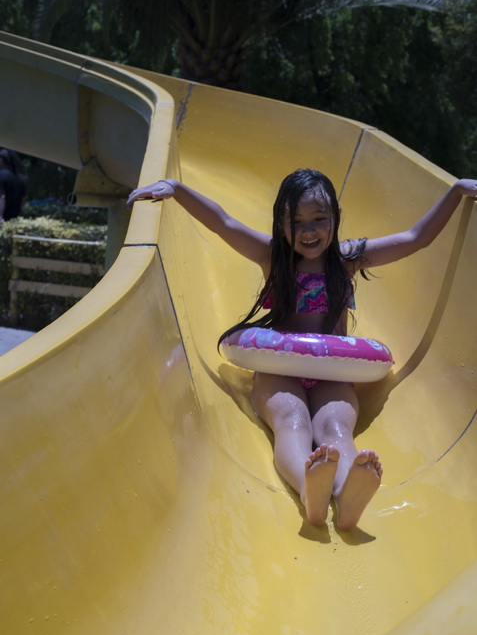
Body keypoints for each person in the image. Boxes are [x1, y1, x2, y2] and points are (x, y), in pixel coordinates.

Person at [127, 170, 477, 530]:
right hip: (279, 372)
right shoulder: (272, 257)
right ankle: (310, 489)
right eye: (296, 222)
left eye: (319, 219)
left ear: (336, 216)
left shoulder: (347, 259)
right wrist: (177, 189)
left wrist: (456, 191)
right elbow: (223, 222)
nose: (308, 231)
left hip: (332, 374)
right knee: (291, 419)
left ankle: (346, 491)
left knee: (335, 426)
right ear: (281, 223)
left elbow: (415, 238)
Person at [0, 148, 27, 221]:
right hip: (14, 220)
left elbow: (1, 198)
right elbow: (23, 199)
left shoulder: (1, 175)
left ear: (2, 160)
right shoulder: (20, 177)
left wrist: (0, 218)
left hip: (3, 218)